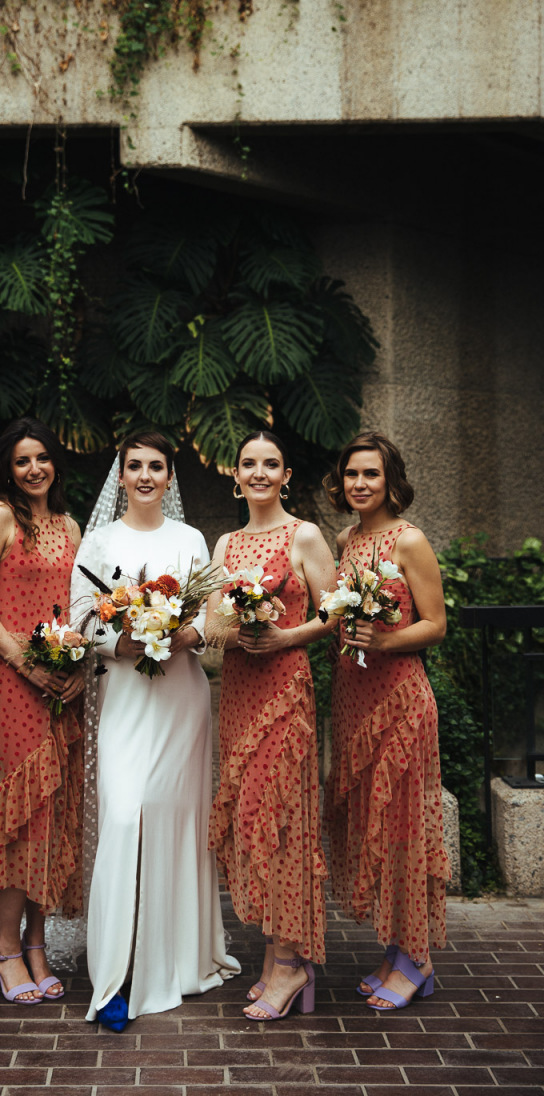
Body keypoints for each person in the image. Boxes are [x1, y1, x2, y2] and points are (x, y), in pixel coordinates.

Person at [70, 431, 239, 1028]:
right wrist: (123, 639)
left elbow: (216, 615)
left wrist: (180, 635)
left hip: (179, 699)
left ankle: (172, 957)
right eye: (134, 465)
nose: (144, 475)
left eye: (155, 466)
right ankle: (113, 976)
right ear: (120, 474)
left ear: (170, 477)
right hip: (124, 698)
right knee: (123, 816)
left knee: (170, 820)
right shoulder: (99, 540)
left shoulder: (189, 539)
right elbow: (80, 622)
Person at [206, 430, 335, 1022]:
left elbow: (336, 612)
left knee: (282, 817)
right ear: (236, 475)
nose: (260, 473)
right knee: (251, 820)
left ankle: (289, 961)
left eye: (272, 464)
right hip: (237, 691)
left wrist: (284, 633)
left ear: (286, 476)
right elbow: (211, 626)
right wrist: (237, 622)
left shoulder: (304, 534)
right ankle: (273, 955)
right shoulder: (227, 541)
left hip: (284, 690)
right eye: (249, 464)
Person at [322, 430, 449, 1010]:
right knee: (374, 823)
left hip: (399, 702)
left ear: (390, 479)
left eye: (370, 474)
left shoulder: (410, 540)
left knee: (403, 827)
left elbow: (436, 624)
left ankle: (417, 961)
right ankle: (398, 950)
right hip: (354, 698)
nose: (360, 484)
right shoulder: (346, 538)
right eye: (351, 475)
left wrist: (388, 636)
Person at [0, 418, 83, 1005]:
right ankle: (5, 945)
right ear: (7, 470)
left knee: (55, 813)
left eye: (41, 458)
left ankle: (38, 943)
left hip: (65, 685)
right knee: (22, 815)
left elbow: (82, 605)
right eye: (21, 461)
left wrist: (78, 667)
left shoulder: (68, 524)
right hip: (18, 684)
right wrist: (23, 660)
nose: (34, 469)